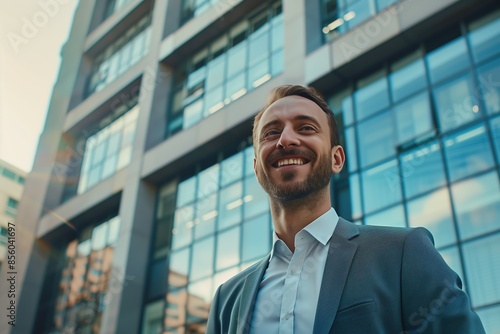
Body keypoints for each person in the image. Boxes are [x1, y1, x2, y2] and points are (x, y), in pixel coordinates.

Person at [206, 85, 485, 333]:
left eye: (306, 128)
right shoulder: (226, 301)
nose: (286, 140)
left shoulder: (404, 253)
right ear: (257, 169)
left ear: (336, 159)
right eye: (271, 132)